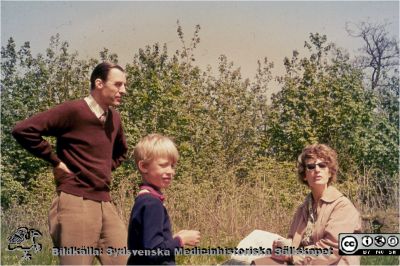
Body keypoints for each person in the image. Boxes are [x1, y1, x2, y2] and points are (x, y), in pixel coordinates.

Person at [12, 62, 129, 265]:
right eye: (118, 84)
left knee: (125, 261)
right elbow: (23, 130)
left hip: (105, 201)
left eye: (124, 85)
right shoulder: (74, 110)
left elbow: (121, 152)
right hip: (76, 200)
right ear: (99, 83)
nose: (123, 90)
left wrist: (100, 171)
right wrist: (55, 162)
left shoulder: (115, 119)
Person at [253, 144, 362, 265]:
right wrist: (282, 245)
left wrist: (291, 254)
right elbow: (292, 242)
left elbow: (331, 250)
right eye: (311, 166)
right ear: (304, 175)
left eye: (322, 165)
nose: (317, 170)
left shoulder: (342, 206)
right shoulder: (303, 209)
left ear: (330, 172)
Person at [128, 134, 201, 265]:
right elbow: (154, 252)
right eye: (163, 165)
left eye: (172, 166)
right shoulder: (152, 204)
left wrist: (172, 239)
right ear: (144, 166)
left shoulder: (143, 199)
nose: (170, 171)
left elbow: (147, 246)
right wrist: (180, 240)